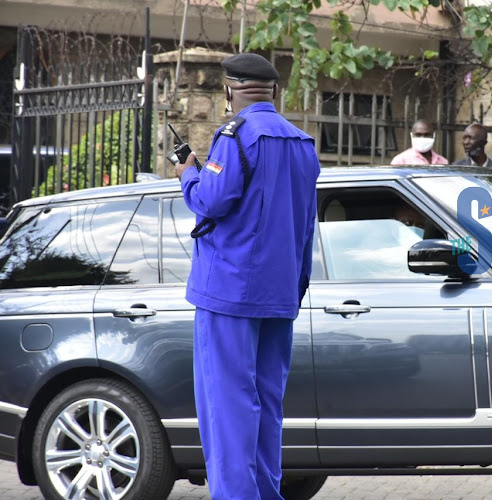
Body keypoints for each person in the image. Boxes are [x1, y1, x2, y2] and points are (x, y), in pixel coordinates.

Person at [175, 53, 320, 500]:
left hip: (229, 294)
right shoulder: (302, 142)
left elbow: (211, 202)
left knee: (227, 408)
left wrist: (187, 174)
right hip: (280, 293)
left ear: (228, 91)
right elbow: (306, 224)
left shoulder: (234, 135)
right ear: (274, 92)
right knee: (266, 406)